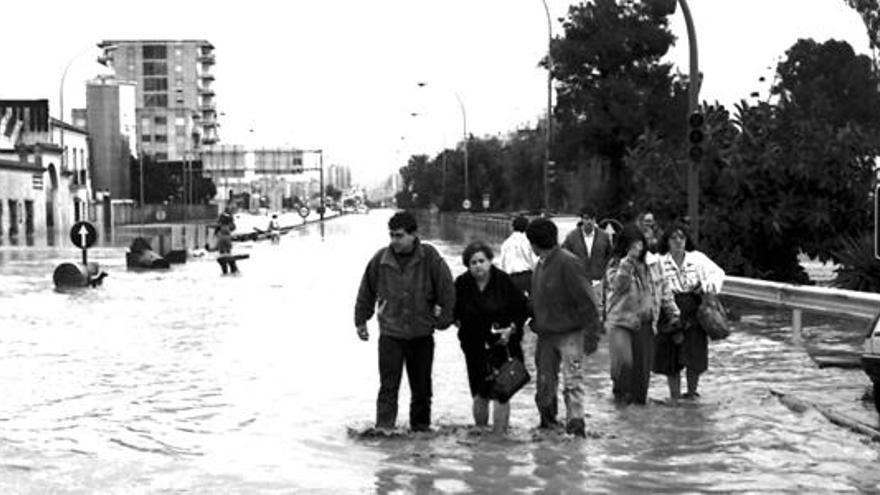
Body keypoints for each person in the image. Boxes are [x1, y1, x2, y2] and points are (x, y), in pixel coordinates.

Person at [354, 211, 456, 432]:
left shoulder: (430, 257)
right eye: (391, 235)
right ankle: (384, 429)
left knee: (422, 390)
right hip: (391, 335)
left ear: (413, 235)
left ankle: (420, 433)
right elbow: (366, 291)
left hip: (421, 334)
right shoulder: (381, 259)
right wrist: (361, 320)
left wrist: (444, 320)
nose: (394, 241)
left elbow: (447, 289)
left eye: (399, 236)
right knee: (388, 388)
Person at [526, 218, 601, 437]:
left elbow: (588, 301)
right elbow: (537, 300)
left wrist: (592, 336)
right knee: (544, 383)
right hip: (545, 335)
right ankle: (548, 424)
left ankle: (576, 428)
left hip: (571, 334)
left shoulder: (569, 263)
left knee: (573, 382)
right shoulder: (540, 266)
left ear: (534, 243)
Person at [454, 241, 530, 434]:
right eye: (473, 263)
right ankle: (480, 431)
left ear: (490, 261)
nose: (478, 266)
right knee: (480, 392)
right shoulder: (462, 284)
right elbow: (452, 312)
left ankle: (499, 435)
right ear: (467, 265)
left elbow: (523, 309)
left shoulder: (504, 281)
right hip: (474, 346)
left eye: (481, 261)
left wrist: (511, 329)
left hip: (503, 345)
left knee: (502, 393)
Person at [604, 224, 679, 405]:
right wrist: (628, 262)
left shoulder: (654, 264)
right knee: (624, 364)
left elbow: (664, 289)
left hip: (646, 322)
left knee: (642, 374)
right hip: (620, 322)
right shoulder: (615, 264)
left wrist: (673, 312)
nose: (637, 248)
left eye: (639, 244)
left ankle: (637, 412)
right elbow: (618, 286)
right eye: (632, 244)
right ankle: (620, 401)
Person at [653, 222, 725, 400]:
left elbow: (718, 273)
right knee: (671, 358)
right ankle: (675, 397)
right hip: (668, 310)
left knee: (694, 356)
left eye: (682, 237)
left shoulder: (698, 258)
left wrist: (708, 287)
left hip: (693, 310)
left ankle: (692, 394)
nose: (678, 241)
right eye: (674, 237)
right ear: (667, 241)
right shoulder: (660, 261)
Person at [562, 206, 614, 317]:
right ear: (581, 219)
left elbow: (610, 257)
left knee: (598, 310)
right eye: (586, 218)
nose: (589, 222)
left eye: (592, 219)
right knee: (580, 310)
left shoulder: (604, 236)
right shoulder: (572, 237)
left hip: (598, 280)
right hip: (578, 280)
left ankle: (599, 332)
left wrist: (605, 273)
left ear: (595, 220)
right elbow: (565, 257)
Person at [498, 215, 538, 294]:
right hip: (527, 276)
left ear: (512, 227)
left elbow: (502, 264)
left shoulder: (506, 244)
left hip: (511, 278)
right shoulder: (529, 242)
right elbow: (534, 260)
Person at [215, 208, 238, 274]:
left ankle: (226, 273)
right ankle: (233, 271)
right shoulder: (228, 229)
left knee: (224, 269)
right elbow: (233, 227)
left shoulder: (220, 231)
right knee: (232, 264)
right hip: (227, 248)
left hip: (221, 253)